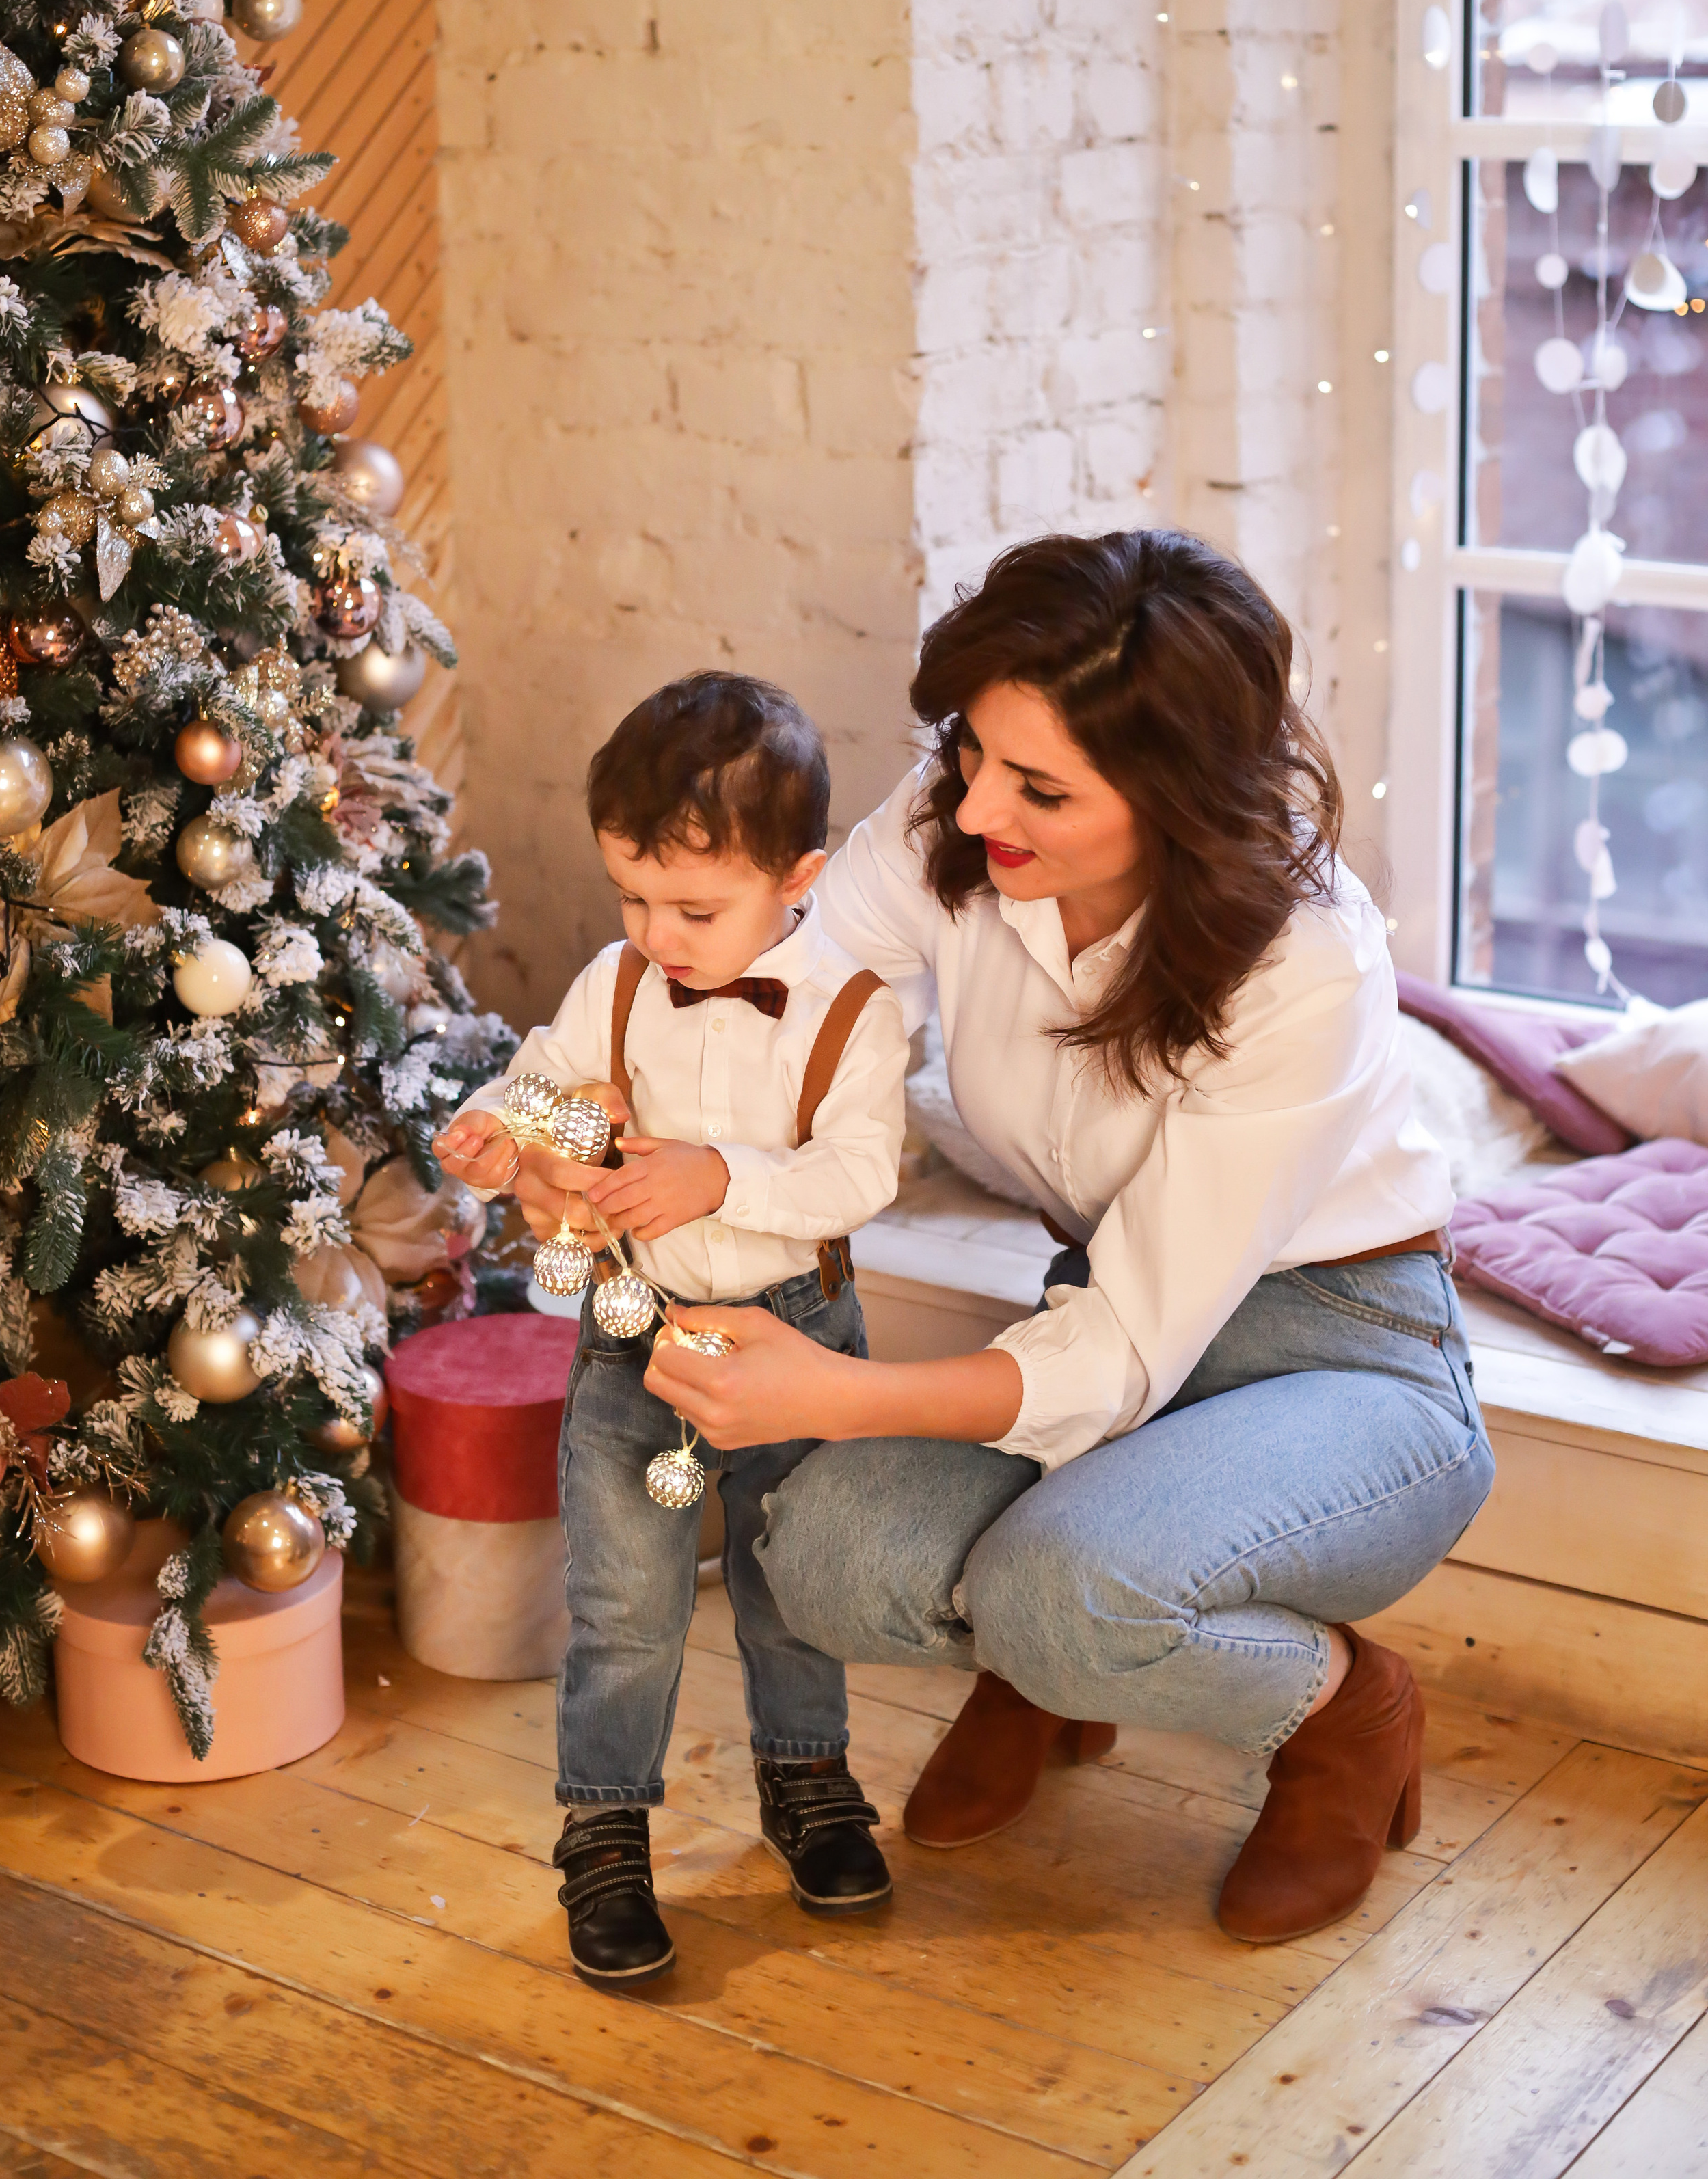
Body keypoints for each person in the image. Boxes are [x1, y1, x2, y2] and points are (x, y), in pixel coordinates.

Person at [525, 532, 1495, 1946]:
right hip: (1096, 1303)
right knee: (816, 1556)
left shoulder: (1303, 959)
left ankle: (1339, 1710)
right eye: (971, 750)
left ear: (1176, 796)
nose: (974, 803)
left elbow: (1123, 1349)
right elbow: (763, 975)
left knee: (1060, 1592)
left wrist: (832, 1392)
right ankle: (1056, 1667)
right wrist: (581, 1132)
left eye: (1040, 788)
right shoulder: (963, 820)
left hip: (1336, 1349)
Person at [435, 672, 908, 1988]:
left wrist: (722, 1178)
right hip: (633, 1335)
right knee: (624, 1604)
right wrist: (498, 1130)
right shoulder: (621, 980)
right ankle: (605, 1827)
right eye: (633, 898)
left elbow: (859, 1175)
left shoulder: (852, 1010)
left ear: (798, 878)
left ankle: (807, 1779)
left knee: (792, 1580)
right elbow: (545, 1085)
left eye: (695, 910)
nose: (659, 936)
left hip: (798, 1338)